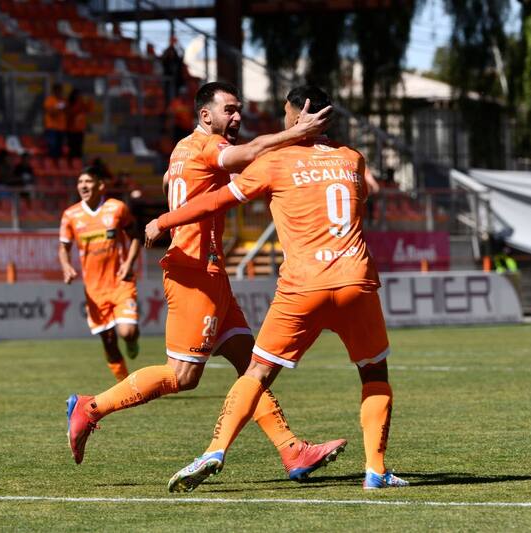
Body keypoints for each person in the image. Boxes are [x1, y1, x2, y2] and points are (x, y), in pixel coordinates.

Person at [63, 82, 346, 484]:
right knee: (182, 376)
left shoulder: (183, 148)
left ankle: (292, 451)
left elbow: (168, 181)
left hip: (209, 273)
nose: (237, 117)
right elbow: (247, 153)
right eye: (229, 110)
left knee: (251, 368)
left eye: (239, 110)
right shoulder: (208, 147)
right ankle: (89, 408)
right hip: (195, 274)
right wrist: (296, 135)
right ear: (205, 116)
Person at [145, 85, 409, 492]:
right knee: (374, 371)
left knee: (257, 372)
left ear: (297, 114)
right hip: (356, 280)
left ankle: (215, 449)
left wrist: (165, 220)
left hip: (302, 287)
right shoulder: (352, 159)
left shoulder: (275, 162)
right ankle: (376, 469)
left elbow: (215, 201)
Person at [59, 168, 141, 382]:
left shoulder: (117, 208)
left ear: (101, 186)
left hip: (121, 282)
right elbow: (63, 247)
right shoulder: (70, 215)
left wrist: (129, 264)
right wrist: (66, 266)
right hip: (94, 290)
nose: (83, 186)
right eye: (80, 182)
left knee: (127, 332)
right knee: (109, 341)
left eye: (88, 181)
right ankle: (125, 384)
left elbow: (135, 236)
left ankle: (132, 342)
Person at [65, 88, 92, 161]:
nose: (79, 96)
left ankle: (77, 163)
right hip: (71, 130)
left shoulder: (81, 102)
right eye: (78, 95)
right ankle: (72, 163)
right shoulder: (70, 103)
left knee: (79, 147)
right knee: (72, 147)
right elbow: (71, 112)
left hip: (79, 130)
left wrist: (89, 101)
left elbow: (88, 109)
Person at [43, 82, 67, 158]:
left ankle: (59, 163)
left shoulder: (63, 100)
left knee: (60, 147)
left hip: (61, 127)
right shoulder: (49, 100)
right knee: (52, 146)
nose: (60, 92)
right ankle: (52, 163)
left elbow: (67, 111)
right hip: (52, 127)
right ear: (54, 91)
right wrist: (58, 108)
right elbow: (50, 112)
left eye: (61, 91)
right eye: (58, 90)